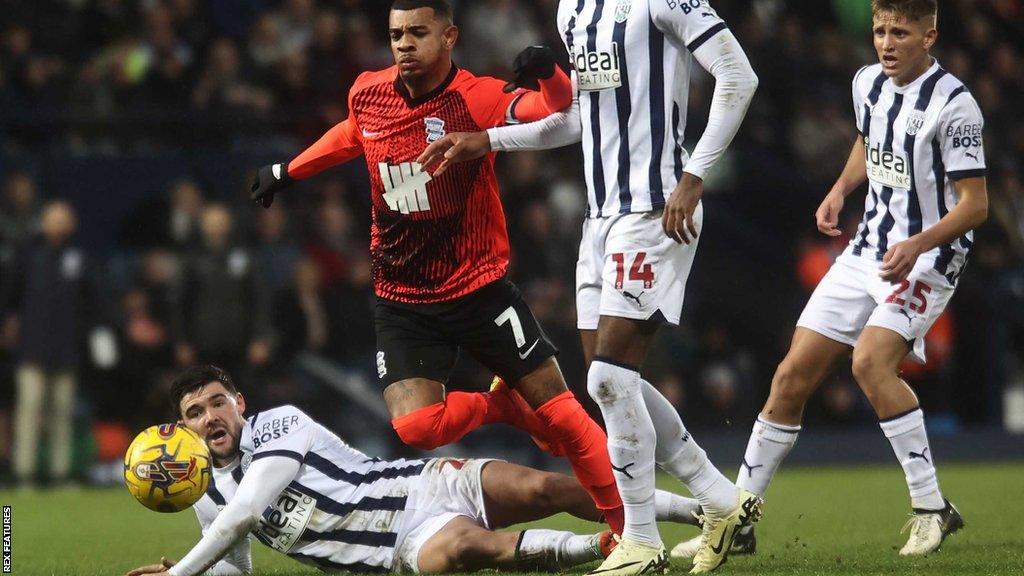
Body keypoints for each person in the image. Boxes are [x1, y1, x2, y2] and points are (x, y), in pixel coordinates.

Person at [249, 0, 627, 534]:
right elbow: (352, 135)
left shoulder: (476, 96)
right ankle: (503, 408)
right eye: (396, 33)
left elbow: (555, 111)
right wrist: (288, 170)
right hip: (402, 296)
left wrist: (550, 73)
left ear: (449, 36)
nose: (403, 43)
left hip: (478, 288)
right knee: (417, 428)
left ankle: (625, 529)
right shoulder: (368, 91)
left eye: (417, 33)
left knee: (564, 415)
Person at [417, 0, 762, 572]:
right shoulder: (573, 11)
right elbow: (583, 119)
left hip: (657, 209)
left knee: (608, 379)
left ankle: (642, 542)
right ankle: (722, 501)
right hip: (600, 219)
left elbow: (738, 75)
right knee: (611, 382)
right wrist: (491, 138)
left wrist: (694, 177)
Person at [671, 0, 983, 560]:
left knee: (869, 362)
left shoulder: (955, 105)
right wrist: (841, 188)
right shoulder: (867, 81)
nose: (886, 43)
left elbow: (975, 206)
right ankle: (739, 522)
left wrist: (916, 245)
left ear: (929, 35)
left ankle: (932, 507)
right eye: (880, 31)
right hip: (866, 249)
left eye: (901, 33)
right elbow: (868, 141)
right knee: (790, 377)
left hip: (927, 260)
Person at [123, 365, 700, 576]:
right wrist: (186, 570)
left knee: (545, 486)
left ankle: (705, 513)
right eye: (194, 413)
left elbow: (248, 513)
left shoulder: (277, 425)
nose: (209, 416)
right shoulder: (204, 493)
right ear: (184, 429)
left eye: (217, 402)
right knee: (473, 549)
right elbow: (234, 564)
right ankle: (607, 551)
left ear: (240, 403)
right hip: (398, 549)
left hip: (417, 485)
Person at [1, 201, 98, 488]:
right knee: (28, 410)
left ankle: (61, 473)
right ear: (43, 223)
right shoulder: (28, 256)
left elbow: (90, 302)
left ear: (72, 225)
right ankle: (24, 473)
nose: (58, 224)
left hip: (66, 348)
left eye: (63, 219)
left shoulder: (79, 258)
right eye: (52, 219)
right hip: (32, 347)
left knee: (62, 413)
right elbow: (10, 298)